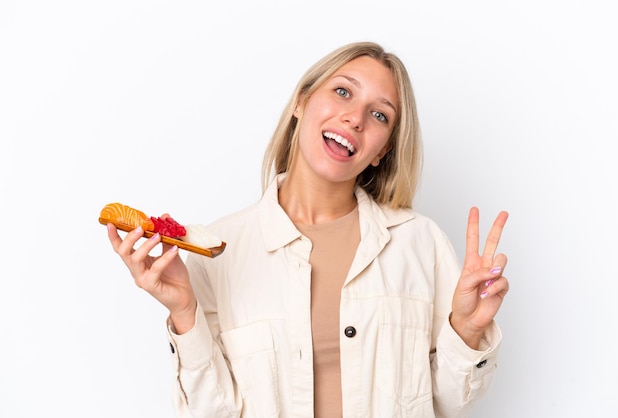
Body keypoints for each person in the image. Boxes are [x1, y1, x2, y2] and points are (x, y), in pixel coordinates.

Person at [106, 41, 509, 418]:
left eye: (379, 114)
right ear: (301, 101)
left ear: (382, 151)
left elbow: (449, 402)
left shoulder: (419, 243)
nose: (355, 118)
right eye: (343, 92)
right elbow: (215, 411)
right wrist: (184, 311)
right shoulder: (218, 251)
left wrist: (468, 330)